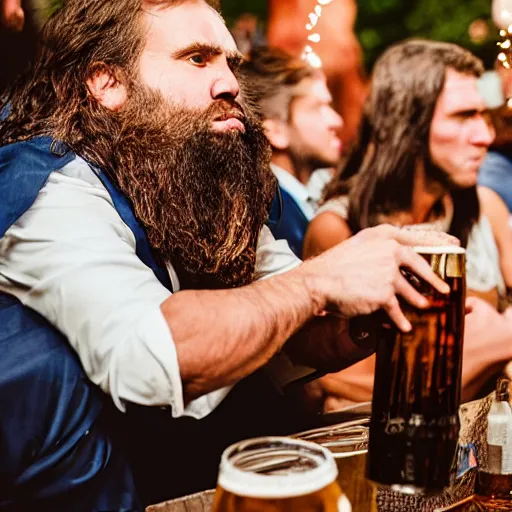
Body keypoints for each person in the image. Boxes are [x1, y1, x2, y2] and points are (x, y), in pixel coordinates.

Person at [0, 3, 455, 509]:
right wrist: (320, 280)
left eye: (230, 64)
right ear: (107, 82)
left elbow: (290, 323)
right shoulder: (48, 189)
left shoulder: (185, 171)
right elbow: (157, 357)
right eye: (198, 60)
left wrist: (372, 314)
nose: (230, 85)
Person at [304, 39, 512, 410]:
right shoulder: (339, 228)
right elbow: (328, 384)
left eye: (482, 115)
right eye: (463, 116)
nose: (486, 135)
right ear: (408, 123)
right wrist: (495, 340)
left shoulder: (486, 210)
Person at [241, 46, 342, 258]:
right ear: (275, 131)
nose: (336, 121)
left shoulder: (314, 192)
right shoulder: (270, 219)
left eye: (329, 106)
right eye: (317, 108)